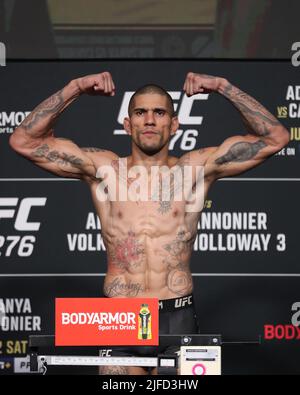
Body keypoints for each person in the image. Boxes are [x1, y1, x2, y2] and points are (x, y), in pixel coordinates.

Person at [9, 71, 289, 375]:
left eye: (159, 112)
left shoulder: (194, 169)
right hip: (119, 317)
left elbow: (276, 138)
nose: (150, 120)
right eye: (141, 113)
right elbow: (23, 140)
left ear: (174, 124)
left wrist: (222, 86)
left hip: (177, 314)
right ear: (128, 124)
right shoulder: (104, 170)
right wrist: (74, 87)